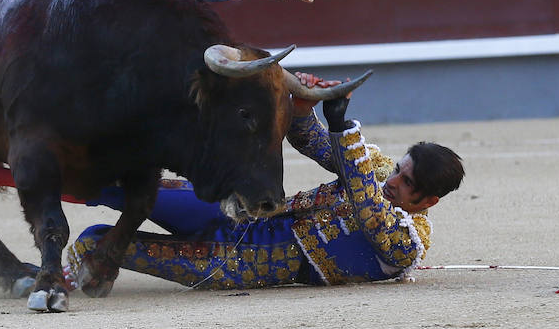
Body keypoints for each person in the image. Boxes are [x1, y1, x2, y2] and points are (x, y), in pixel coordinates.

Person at [65, 72, 465, 289]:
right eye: (398, 169)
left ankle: (81, 271)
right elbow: (314, 143)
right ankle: (36, 173)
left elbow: (368, 209)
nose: (393, 181)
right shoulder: (375, 172)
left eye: (407, 182)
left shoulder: (407, 244)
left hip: (238, 264)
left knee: (95, 241)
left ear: (428, 201)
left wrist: (344, 127)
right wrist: (304, 109)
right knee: (119, 189)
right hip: (244, 214)